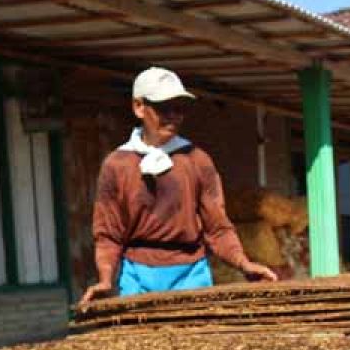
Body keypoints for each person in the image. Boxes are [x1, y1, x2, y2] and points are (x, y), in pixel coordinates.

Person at [80, 67, 276, 305]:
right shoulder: (117, 165)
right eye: (164, 108)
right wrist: (106, 279)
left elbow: (217, 227)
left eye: (180, 109)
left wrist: (243, 264)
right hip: (137, 275)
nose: (173, 116)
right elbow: (108, 233)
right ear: (139, 107)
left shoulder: (196, 160)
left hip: (190, 273)